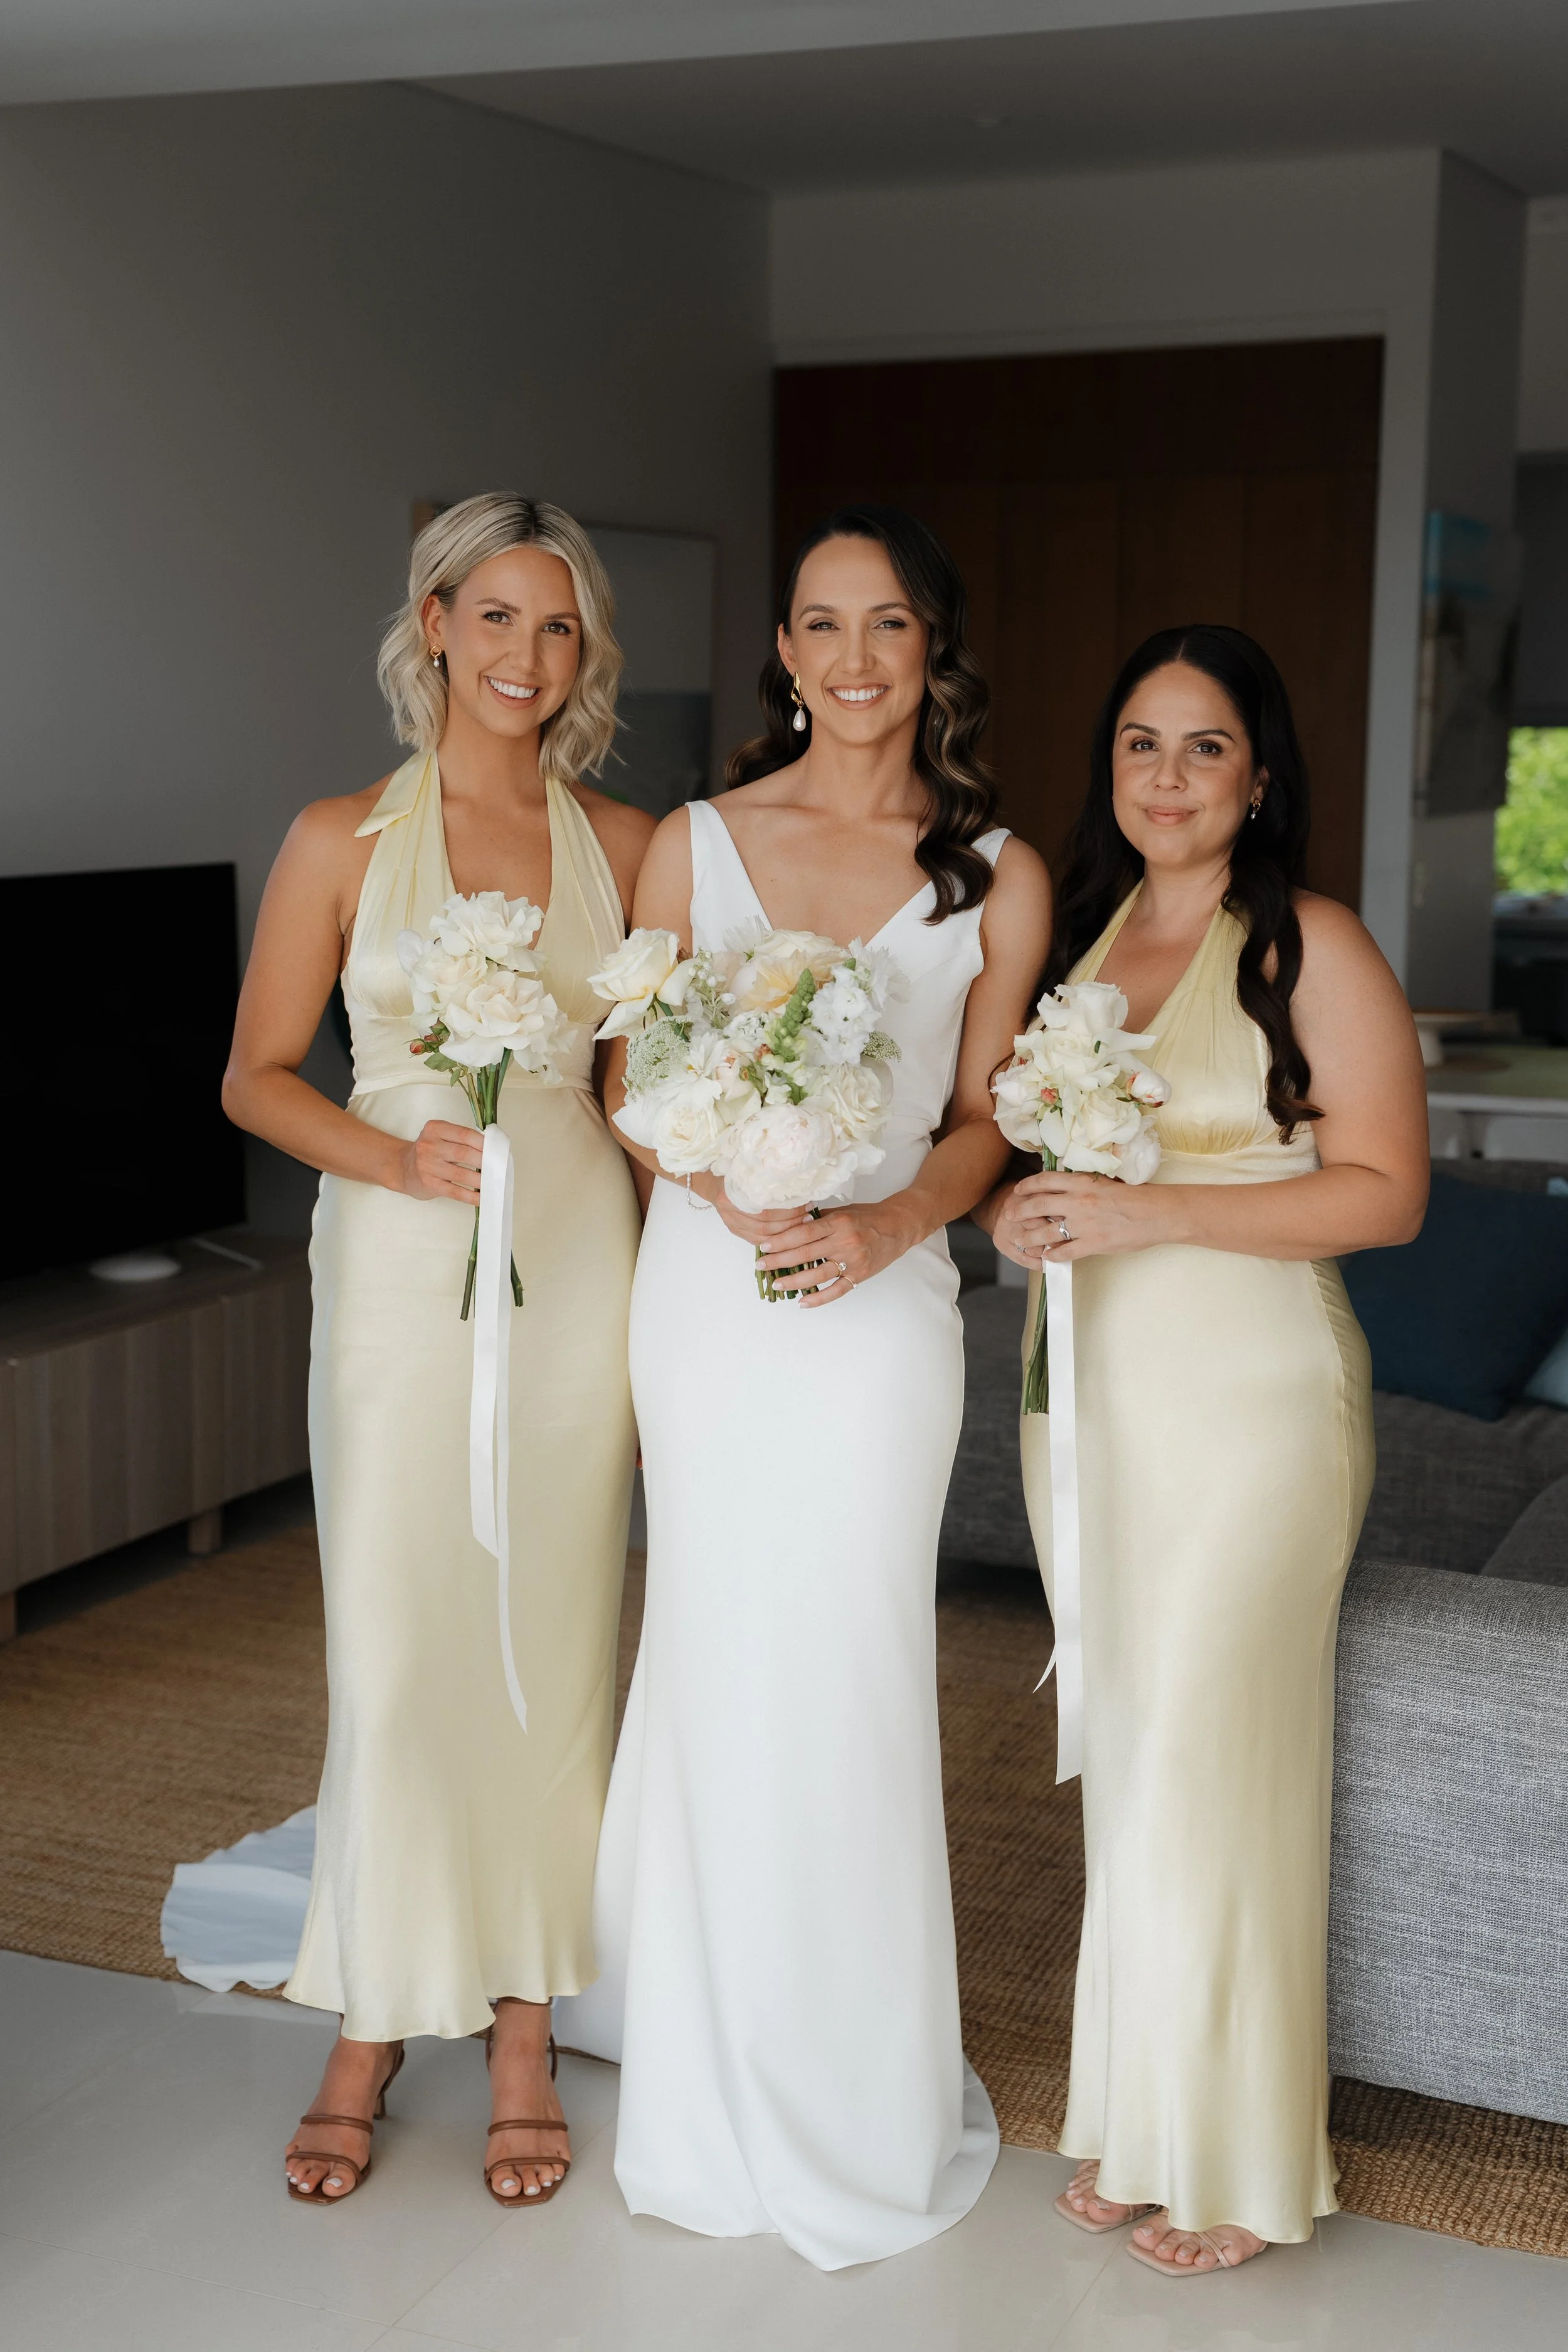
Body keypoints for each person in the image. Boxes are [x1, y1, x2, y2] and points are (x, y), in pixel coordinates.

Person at [556, 506, 1050, 2269]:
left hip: (885, 1303)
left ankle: (850, 2072)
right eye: (820, 625)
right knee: (707, 1637)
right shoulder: (697, 839)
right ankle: (699, 2040)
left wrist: (886, 1215)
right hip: (709, 1291)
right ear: (782, 649)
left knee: (846, 1656)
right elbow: (628, 1080)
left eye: (888, 625)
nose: (852, 660)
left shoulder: (993, 869)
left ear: (933, 650)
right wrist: (733, 1181)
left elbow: (990, 1111)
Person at [975, 625, 1428, 2274]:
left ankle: (1237, 2160)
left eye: (1204, 747)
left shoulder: (1306, 943)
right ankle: (1137, 2114)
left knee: (1223, 1762)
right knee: (1137, 1762)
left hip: (1249, 1415)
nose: (1166, 776)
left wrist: (1149, 1205)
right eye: (1140, 744)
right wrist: (1031, 1216)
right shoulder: (1083, 948)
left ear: (1259, 776)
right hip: (1091, 1411)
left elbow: (1386, 1189)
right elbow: (1053, 1166)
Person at [223, 494, 654, 2206]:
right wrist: (395, 1154)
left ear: (584, 653)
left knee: (549, 1639)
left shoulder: (625, 840)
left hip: (575, 1267)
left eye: (557, 628)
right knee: (397, 1641)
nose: (524, 658)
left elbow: (635, 1099)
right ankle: (371, 2018)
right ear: (434, 617)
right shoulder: (339, 835)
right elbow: (256, 1074)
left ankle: (528, 2020)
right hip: (399, 1270)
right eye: (496, 617)